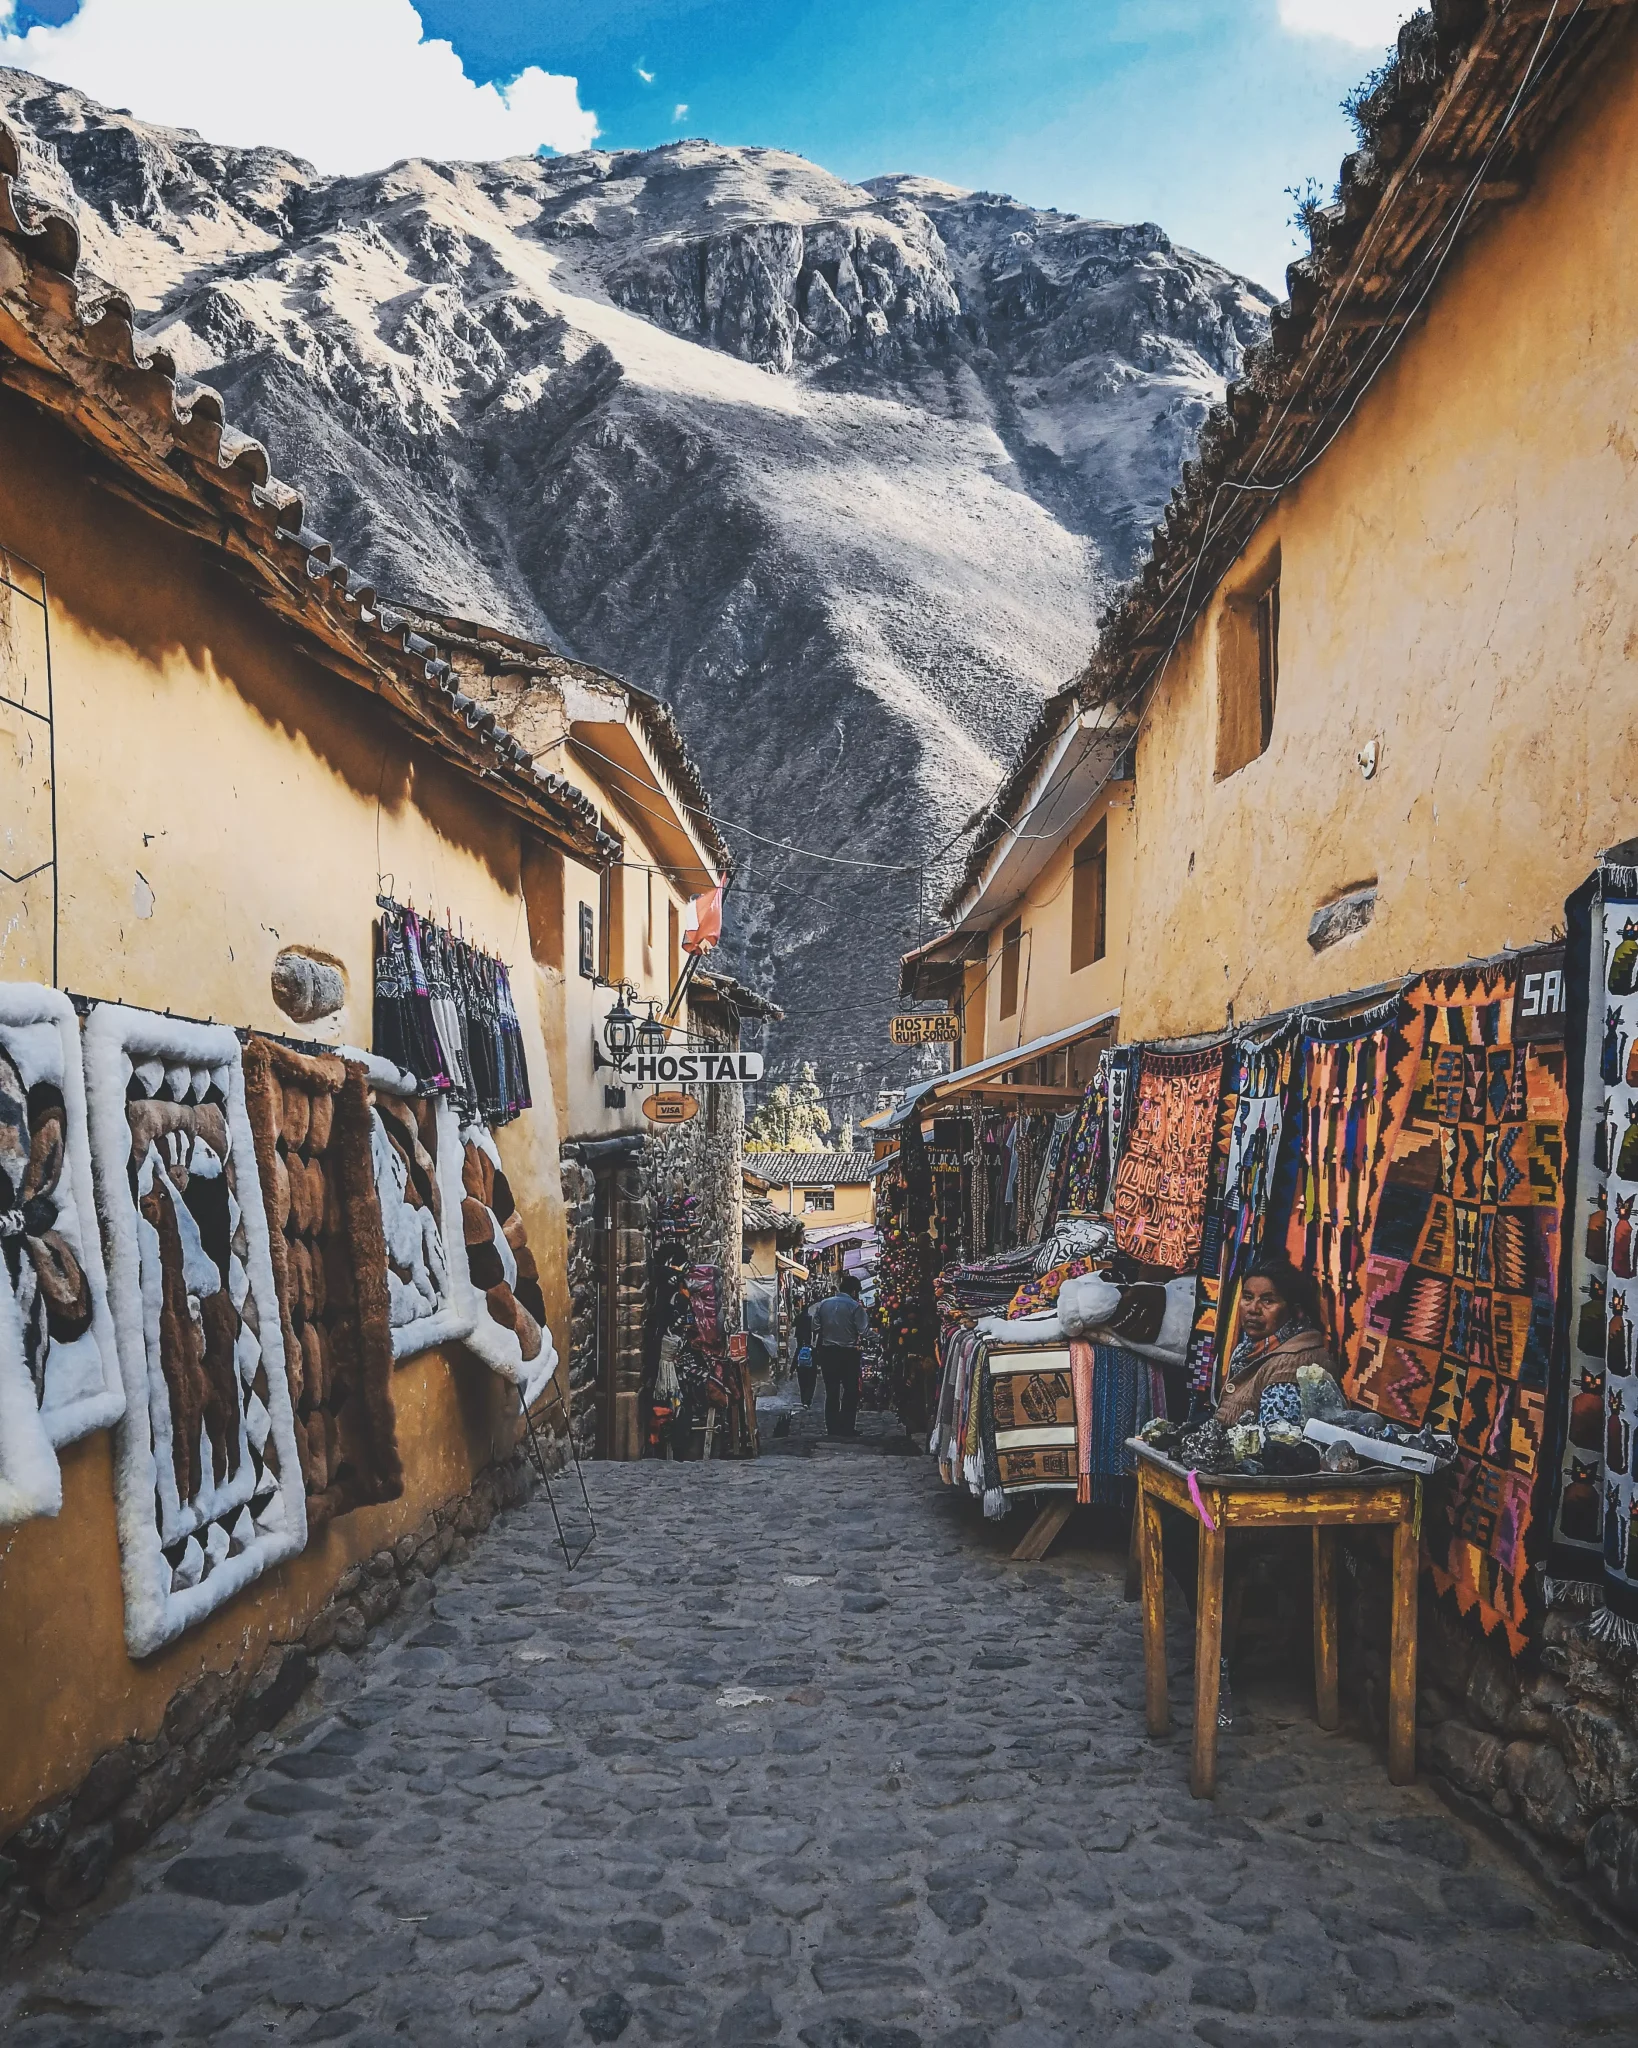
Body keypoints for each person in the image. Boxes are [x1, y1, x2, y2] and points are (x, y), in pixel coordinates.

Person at [1214, 1255, 1338, 1427]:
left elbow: (1276, 1441)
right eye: (1248, 1297)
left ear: (1297, 1311)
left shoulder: (1293, 1364)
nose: (1253, 1309)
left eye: (1267, 1301)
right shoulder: (1250, 1350)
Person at [812, 1275, 869, 1438]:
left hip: (828, 1352)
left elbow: (814, 1326)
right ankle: (847, 1427)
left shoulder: (823, 1304)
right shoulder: (855, 1307)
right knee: (850, 1391)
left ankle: (832, 1428)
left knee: (832, 1391)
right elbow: (863, 1330)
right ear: (854, 1291)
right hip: (848, 1353)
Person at [793, 1300, 817, 1408]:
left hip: (800, 1343)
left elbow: (793, 1324)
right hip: (808, 1343)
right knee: (810, 1381)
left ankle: (804, 1400)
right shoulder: (810, 1319)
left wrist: (792, 1369)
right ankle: (808, 1400)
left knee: (802, 1380)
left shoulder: (799, 1318)